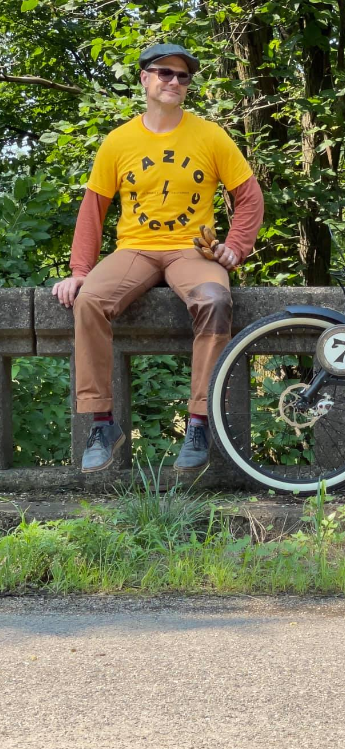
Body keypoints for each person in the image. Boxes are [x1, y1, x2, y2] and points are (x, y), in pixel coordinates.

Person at [52, 42, 264, 474]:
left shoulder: (210, 135)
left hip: (192, 250)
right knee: (89, 300)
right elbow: (93, 210)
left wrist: (235, 247)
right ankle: (103, 422)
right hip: (135, 249)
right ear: (145, 78)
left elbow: (249, 197)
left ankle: (200, 421)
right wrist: (79, 271)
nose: (174, 81)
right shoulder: (119, 141)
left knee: (214, 300)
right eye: (165, 73)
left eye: (183, 76)